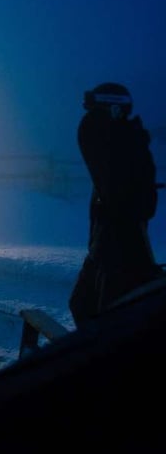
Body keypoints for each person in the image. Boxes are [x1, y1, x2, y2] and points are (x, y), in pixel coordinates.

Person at [68, 82, 161, 327]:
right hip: (104, 243)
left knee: (108, 315)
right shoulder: (116, 139)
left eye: (99, 112)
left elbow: (141, 202)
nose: (91, 118)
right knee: (83, 305)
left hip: (120, 247)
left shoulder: (124, 144)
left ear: (115, 111)